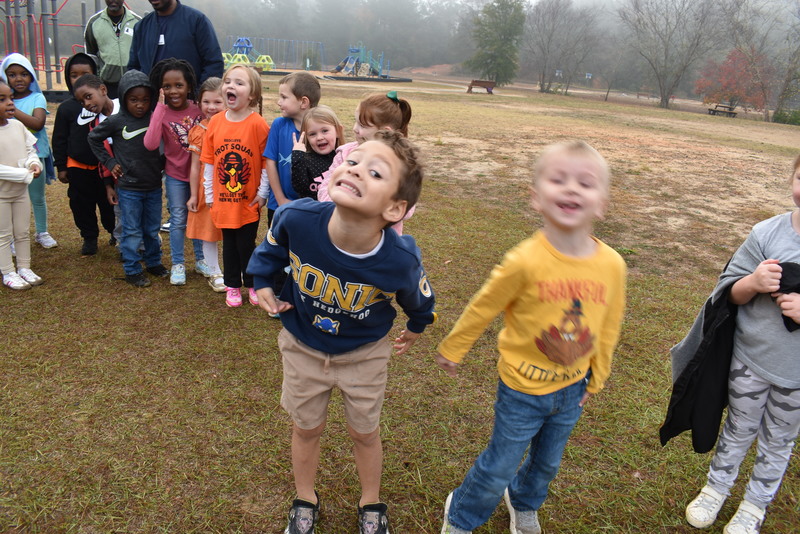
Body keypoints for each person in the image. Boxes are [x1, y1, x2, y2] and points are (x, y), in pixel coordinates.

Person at [248, 131, 436, 534]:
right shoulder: (296, 218)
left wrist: (418, 325)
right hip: (303, 346)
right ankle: (305, 499)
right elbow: (269, 252)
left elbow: (418, 298)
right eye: (352, 161)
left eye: (375, 171)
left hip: (364, 354)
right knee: (306, 427)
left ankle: (371, 503)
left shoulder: (399, 258)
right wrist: (262, 281)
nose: (355, 170)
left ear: (395, 207)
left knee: (364, 432)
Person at [437, 141, 627, 534]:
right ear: (537, 198)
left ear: (602, 203)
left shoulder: (612, 266)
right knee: (500, 464)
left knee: (547, 463)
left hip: (572, 389)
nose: (572, 189)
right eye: (558, 180)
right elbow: (483, 306)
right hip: (522, 389)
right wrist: (455, 347)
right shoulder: (524, 260)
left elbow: (609, 325)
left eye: (585, 183)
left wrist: (599, 374)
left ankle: (523, 500)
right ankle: (461, 514)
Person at [682, 158, 800, 534]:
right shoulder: (767, 233)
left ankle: (753, 505)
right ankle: (715, 489)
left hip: (796, 378)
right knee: (737, 428)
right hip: (750, 361)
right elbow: (727, 291)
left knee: (777, 442)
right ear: (792, 178)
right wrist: (753, 281)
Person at [88, 69, 166, 288]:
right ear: (124, 98)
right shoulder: (116, 121)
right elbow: (93, 138)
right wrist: (111, 163)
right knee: (131, 231)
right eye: (133, 100)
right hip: (129, 188)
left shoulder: (154, 118)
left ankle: (153, 262)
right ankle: (132, 269)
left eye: (144, 99)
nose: (139, 104)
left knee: (152, 229)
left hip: (153, 187)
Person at [201, 65, 269, 307]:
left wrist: (262, 193)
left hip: (248, 201)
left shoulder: (258, 124)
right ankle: (232, 286)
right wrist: (209, 194)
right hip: (222, 201)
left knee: (246, 245)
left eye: (239, 83)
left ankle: (251, 284)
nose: (231, 86)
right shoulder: (215, 122)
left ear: (252, 94)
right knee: (229, 245)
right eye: (228, 81)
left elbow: (265, 163)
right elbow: (209, 162)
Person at [144, 58, 206, 285]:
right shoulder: (161, 113)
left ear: (189, 85)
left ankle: (201, 260)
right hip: (175, 176)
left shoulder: (199, 109)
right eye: (167, 86)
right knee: (178, 219)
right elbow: (150, 144)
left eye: (178, 85)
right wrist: (159, 108)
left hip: (200, 177)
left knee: (199, 216)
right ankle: (178, 264)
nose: (173, 91)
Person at [316, 91, 413, 234]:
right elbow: (326, 185)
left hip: (378, 243)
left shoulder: (401, 164)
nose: (355, 128)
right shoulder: (346, 153)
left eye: (362, 125)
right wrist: (337, 205)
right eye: (356, 121)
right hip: (342, 233)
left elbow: (407, 209)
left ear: (385, 131)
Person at [51, 54, 116, 255]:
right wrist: (61, 166)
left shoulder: (103, 104)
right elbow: (60, 138)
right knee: (81, 205)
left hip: (104, 168)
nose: (78, 79)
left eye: (85, 74)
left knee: (109, 205)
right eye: (73, 75)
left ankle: (115, 232)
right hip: (78, 167)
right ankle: (89, 238)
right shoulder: (67, 108)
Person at [0, 53, 57, 249]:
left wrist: (12, 109)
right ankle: (13, 237)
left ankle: (42, 232)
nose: (18, 79)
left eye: (24, 74)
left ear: (32, 76)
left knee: (37, 197)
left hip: (35, 155)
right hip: (9, 159)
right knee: (12, 198)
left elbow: (38, 124)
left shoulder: (36, 97)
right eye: (12, 74)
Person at [0, 80, 43, 290]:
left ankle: (24, 267)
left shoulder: (17, 126)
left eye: (10, 98)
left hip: (20, 193)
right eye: (2, 100)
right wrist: (24, 174)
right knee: (3, 235)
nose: (10, 103)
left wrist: (33, 163)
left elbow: (30, 150)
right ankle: (7, 271)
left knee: (23, 231)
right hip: (1, 195)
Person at [264, 71, 320, 223]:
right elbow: (270, 162)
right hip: (278, 206)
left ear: (303, 102)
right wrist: (280, 199)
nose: (278, 102)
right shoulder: (278, 125)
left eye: (284, 97)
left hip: (311, 209)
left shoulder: (320, 131)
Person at [186, 76, 225, 292]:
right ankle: (214, 270)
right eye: (206, 102)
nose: (211, 107)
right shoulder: (198, 131)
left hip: (230, 186)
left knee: (231, 229)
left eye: (217, 102)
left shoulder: (234, 126)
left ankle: (233, 268)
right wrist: (194, 194)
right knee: (208, 231)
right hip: (206, 187)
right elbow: (194, 167)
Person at [127, 0, 223, 85]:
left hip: (189, 102)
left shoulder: (197, 21)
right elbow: (133, 68)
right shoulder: (141, 27)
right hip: (153, 102)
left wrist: (200, 95)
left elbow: (214, 63)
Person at [84, 0, 141, 99]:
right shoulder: (94, 22)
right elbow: (91, 55)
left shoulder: (137, 22)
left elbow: (143, 53)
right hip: (106, 86)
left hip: (134, 84)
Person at [290, 105, 343, 200]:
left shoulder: (344, 157)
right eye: (312, 134)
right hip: (314, 212)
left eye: (325, 131)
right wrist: (298, 158)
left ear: (338, 131)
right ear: (307, 137)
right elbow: (300, 188)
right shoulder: (305, 161)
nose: (319, 137)